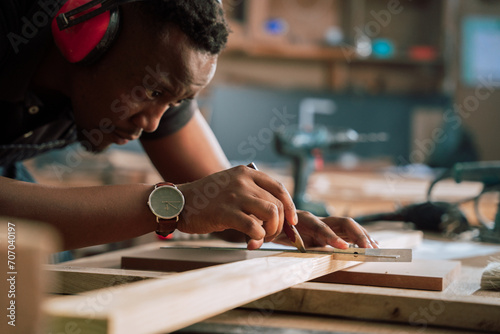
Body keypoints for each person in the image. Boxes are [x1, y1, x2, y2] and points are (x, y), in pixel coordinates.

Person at [0, 0, 378, 252]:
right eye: (150, 90)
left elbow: (219, 199)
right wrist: (175, 205)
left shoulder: (160, 69)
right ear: (89, 34)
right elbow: (187, 203)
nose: (151, 123)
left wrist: (281, 224)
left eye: (176, 101)